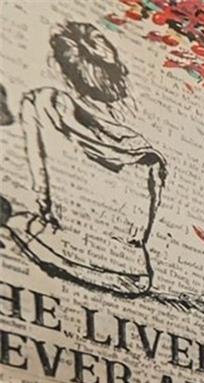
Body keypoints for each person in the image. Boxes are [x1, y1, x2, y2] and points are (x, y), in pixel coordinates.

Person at [2, 21, 167, 297]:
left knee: (16, 221)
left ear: (63, 69)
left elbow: (40, 183)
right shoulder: (147, 154)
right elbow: (140, 230)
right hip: (134, 276)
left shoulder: (42, 103)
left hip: (58, 250)